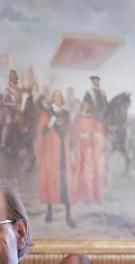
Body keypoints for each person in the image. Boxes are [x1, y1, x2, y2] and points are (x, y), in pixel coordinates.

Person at [37, 90, 76, 226]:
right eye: (55, 96)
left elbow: (70, 131)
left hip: (64, 151)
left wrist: (72, 149)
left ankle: (68, 215)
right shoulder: (46, 113)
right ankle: (49, 212)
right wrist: (49, 124)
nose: (58, 98)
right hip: (51, 152)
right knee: (50, 180)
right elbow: (41, 132)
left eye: (60, 96)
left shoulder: (66, 113)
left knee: (66, 182)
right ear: (52, 98)